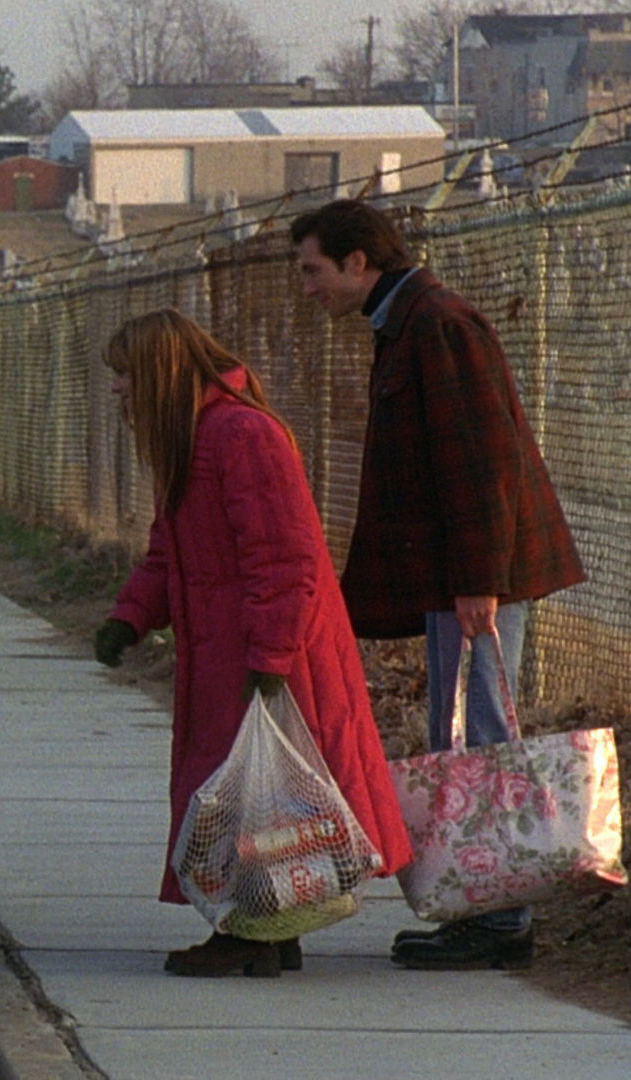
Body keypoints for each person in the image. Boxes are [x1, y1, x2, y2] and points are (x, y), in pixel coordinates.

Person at [290, 200, 585, 971]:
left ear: (358, 261)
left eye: (314, 270)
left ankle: (501, 918)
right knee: (461, 737)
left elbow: (484, 463)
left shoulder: (438, 326)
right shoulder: (410, 324)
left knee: (484, 738)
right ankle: (482, 906)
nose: (308, 288)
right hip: (459, 576)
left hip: (475, 578)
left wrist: (479, 581)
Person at [91, 309, 413, 978]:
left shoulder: (240, 436)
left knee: (257, 794)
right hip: (230, 650)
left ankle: (251, 931)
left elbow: (285, 558)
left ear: (159, 373)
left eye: (125, 374)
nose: (117, 388)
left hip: (268, 652)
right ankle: (269, 928)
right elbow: (168, 551)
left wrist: (269, 659)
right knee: (250, 790)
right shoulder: (194, 440)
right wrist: (130, 616)